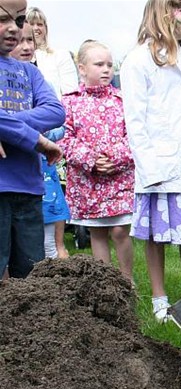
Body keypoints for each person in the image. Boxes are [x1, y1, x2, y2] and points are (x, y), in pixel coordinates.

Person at [120, 0, 181, 322]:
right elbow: (136, 121)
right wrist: (150, 167)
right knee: (156, 237)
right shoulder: (137, 62)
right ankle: (160, 299)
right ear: (162, 11)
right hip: (158, 167)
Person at [59, 40, 135, 281]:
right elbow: (63, 138)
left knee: (121, 230)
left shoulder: (123, 100)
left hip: (119, 178)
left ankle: (126, 281)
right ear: (82, 68)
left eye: (110, 65)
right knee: (97, 232)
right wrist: (91, 160)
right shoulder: (69, 101)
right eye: (99, 64)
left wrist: (116, 158)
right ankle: (106, 283)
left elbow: (133, 134)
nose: (106, 70)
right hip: (87, 182)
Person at [0, 0, 65, 279]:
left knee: (30, 274)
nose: (13, 28)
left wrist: (7, 126)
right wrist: (35, 139)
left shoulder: (29, 72)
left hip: (28, 187)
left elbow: (55, 111)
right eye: (3, 19)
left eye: (19, 19)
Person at [9, 20, 71, 260]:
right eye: (20, 41)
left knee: (46, 246)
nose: (26, 47)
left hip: (41, 173)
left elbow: (57, 117)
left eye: (30, 41)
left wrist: (11, 126)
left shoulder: (38, 79)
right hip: (11, 175)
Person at [26, 6, 79, 259]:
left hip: (51, 137)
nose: (37, 29)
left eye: (41, 24)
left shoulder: (56, 57)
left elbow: (66, 102)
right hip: (29, 145)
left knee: (52, 203)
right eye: (30, 24)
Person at [25, 6, 78, 97]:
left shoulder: (61, 55)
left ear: (46, 29)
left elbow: (70, 93)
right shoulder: (13, 58)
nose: (35, 28)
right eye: (31, 24)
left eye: (40, 24)